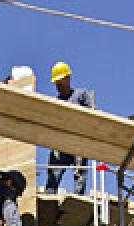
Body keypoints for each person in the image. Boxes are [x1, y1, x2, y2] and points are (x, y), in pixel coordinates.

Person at [45, 61, 93, 195]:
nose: (58, 86)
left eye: (60, 82)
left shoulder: (80, 95)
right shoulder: (56, 102)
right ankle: (50, 196)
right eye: (56, 84)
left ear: (68, 79)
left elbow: (93, 116)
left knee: (80, 172)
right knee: (54, 171)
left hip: (78, 140)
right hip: (61, 142)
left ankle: (78, 197)